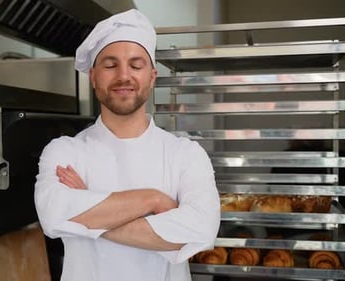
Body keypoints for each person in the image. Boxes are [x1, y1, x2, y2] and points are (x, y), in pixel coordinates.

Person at [34, 9, 220, 281]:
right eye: (110, 65)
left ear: (152, 76)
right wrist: (152, 199)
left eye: (136, 65)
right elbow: (52, 216)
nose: (124, 76)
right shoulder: (64, 151)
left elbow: (200, 229)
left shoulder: (186, 154)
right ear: (94, 77)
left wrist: (87, 216)